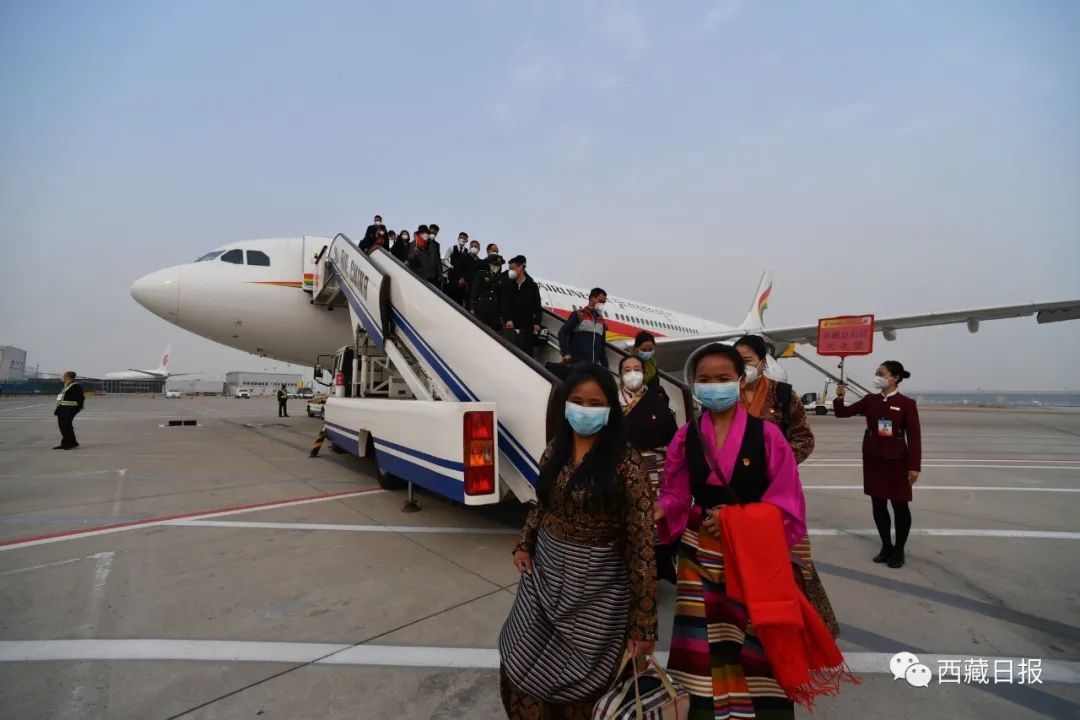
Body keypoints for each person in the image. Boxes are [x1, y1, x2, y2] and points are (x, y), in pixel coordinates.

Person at [656, 343, 853, 717]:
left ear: (739, 380)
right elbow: (675, 492)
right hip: (700, 555)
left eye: (723, 378)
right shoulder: (686, 436)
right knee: (704, 648)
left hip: (754, 556)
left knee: (755, 641)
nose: (714, 386)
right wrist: (656, 510)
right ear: (694, 385)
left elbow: (788, 504)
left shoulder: (768, 436)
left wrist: (735, 519)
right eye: (705, 379)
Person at [499, 365, 656, 719]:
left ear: (610, 408)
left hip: (599, 588)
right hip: (545, 575)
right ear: (565, 404)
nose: (585, 410)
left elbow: (643, 546)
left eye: (595, 403)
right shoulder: (555, 450)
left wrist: (643, 625)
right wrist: (525, 543)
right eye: (577, 401)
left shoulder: (627, 465)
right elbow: (543, 504)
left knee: (583, 681)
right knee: (522, 658)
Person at [735, 334, 840, 637]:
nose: (743, 367)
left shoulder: (782, 395)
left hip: (777, 492)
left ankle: (809, 630)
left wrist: (776, 464)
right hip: (737, 493)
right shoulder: (726, 396)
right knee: (743, 563)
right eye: (737, 362)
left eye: (748, 361)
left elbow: (804, 438)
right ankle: (751, 630)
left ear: (762, 362)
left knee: (793, 561)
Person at [834, 360, 922, 569]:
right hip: (873, 459)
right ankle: (886, 546)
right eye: (877, 373)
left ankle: (898, 550)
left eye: (881, 374)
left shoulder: (906, 403)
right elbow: (842, 413)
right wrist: (840, 397)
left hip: (897, 460)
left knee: (900, 506)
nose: (877, 377)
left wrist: (914, 466)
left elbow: (914, 436)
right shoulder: (870, 400)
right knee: (878, 504)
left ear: (895, 378)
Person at [618, 355, 679, 583]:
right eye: (627, 369)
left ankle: (660, 564)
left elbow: (672, 437)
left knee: (655, 518)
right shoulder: (613, 403)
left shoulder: (657, 400)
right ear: (620, 374)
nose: (632, 373)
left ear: (644, 372)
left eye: (637, 368)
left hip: (656, 470)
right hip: (624, 468)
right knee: (629, 517)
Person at [500, 255, 543, 355]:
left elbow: (537, 306)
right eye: (509, 269)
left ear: (520, 267)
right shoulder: (508, 285)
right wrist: (508, 319)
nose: (510, 271)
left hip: (527, 327)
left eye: (512, 268)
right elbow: (504, 304)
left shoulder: (532, 286)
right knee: (510, 353)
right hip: (511, 326)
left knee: (527, 353)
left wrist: (537, 323)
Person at [557, 288, 608, 367]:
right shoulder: (579, 315)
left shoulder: (601, 322)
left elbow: (602, 349)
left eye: (603, 303)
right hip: (576, 364)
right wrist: (566, 353)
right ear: (592, 298)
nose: (602, 305)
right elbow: (562, 333)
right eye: (600, 301)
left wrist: (606, 368)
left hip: (593, 367)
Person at [471, 253, 504, 331]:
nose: (496, 267)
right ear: (489, 264)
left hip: (493, 310)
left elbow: (500, 296)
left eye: (498, 265)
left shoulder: (500, 278)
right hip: (481, 308)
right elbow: (475, 291)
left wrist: (500, 314)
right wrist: (472, 307)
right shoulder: (481, 274)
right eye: (495, 264)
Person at [54, 371, 85, 450]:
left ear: (67, 377)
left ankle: (70, 444)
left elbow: (80, 398)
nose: (63, 377)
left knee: (66, 426)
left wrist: (78, 407)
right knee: (63, 426)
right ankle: (67, 443)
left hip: (69, 409)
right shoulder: (67, 385)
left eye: (64, 376)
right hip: (63, 408)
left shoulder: (75, 386)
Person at [445, 232, 473, 305]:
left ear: (466, 240)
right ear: (458, 238)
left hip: (461, 278)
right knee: (449, 297)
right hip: (452, 275)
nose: (462, 239)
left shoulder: (467, 252)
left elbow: (468, 266)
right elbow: (445, 259)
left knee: (459, 299)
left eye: (464, 238)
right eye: (461, 237)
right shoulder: (452, 248)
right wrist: (450, 266)